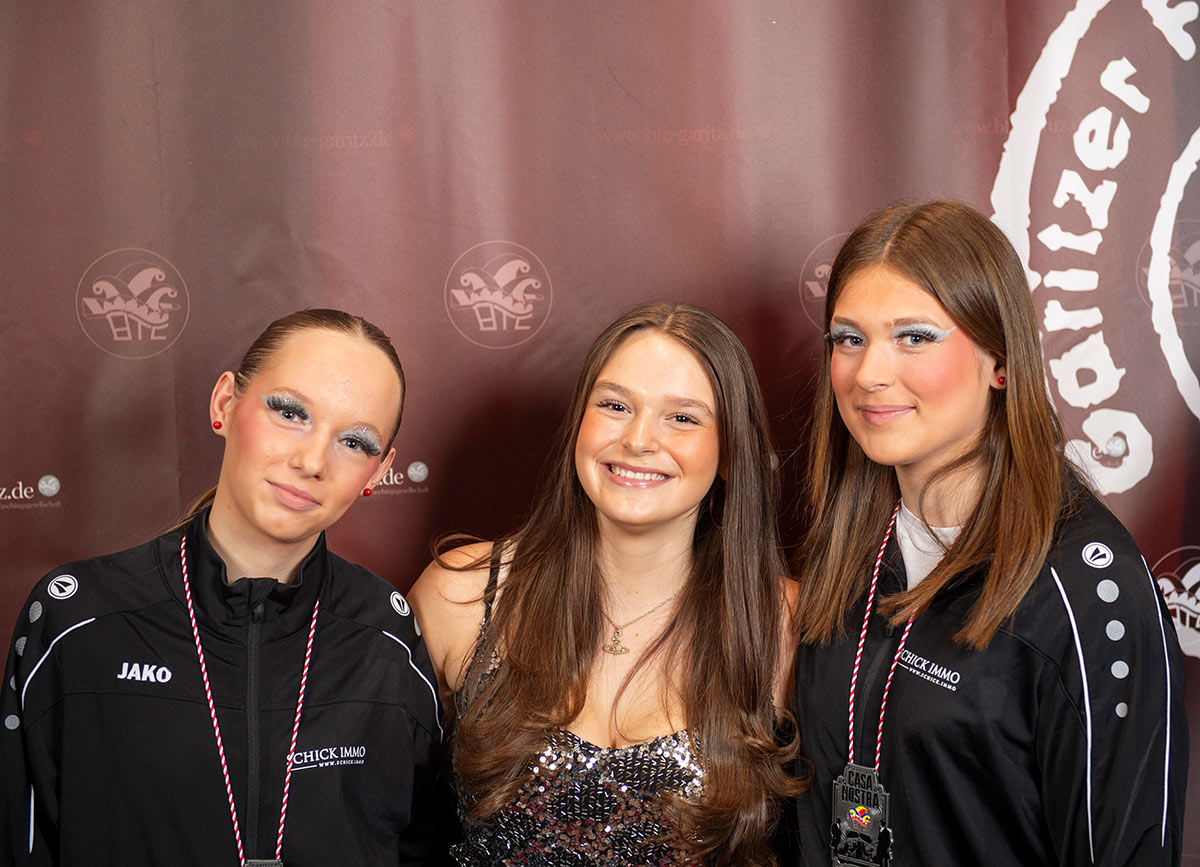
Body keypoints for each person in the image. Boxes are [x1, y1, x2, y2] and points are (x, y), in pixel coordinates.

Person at [790, 200, 1188, 866]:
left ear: (1000, 360)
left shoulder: (1088, 588)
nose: (869, 374)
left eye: (914, 336)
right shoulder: (850, 548)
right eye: (848, 339)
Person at [2, 309, 448, 866]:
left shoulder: (387, 633)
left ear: (379, 472)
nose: (312, 461)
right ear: (224, 404)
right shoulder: (78, 617)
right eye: (290, 412)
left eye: (355, 442)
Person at [410, 303, 801, 866]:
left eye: (682, 417)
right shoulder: (464, 596)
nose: (638, 439)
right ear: (579, 423)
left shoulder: (783, 626)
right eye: (615, 406)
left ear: (730, 453)